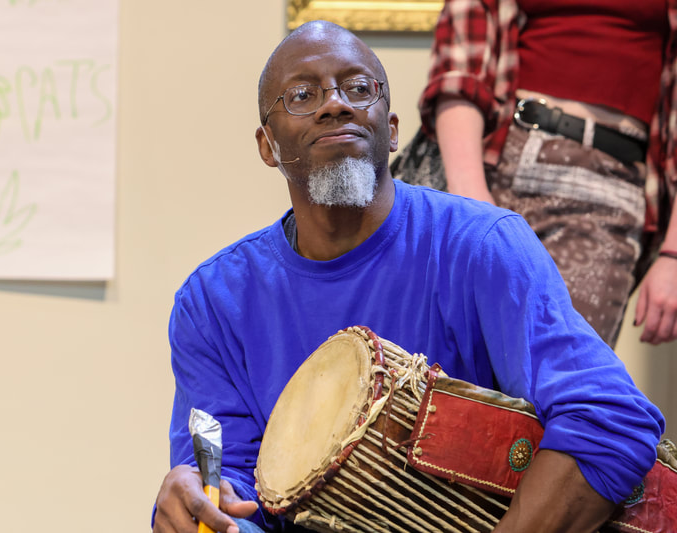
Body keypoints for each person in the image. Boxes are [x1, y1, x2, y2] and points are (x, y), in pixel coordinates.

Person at [153, 20, 664, 533]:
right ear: (267, 147)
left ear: (392, 129)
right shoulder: (213, 302)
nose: (336, 104)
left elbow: (608, 419)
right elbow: (231, 482)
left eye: (358, 88)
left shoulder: (481, 245)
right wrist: (197, 501)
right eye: (303, 94)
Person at [391, 0, 677, 348]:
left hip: (607, 184)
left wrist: (673, 254)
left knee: (562, 375)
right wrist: (472, 199)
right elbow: (459, 68)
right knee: (448, 369)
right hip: (498, 161)